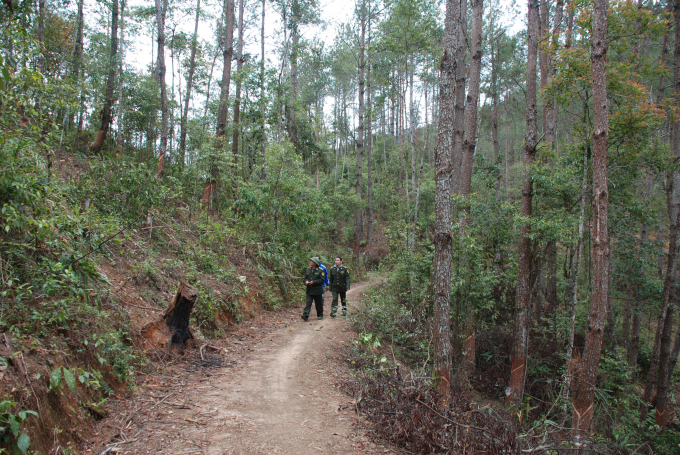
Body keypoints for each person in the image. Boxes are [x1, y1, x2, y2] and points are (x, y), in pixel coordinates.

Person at [302, 257, 325, 321]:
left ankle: (320, 315)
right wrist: (306, 281)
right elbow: (305, 278)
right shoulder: (308, 269)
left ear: (315, 263)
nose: (310, 262)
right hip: (309, 290)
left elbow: (322, 279)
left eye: (312, 261)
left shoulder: (320, 270)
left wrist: (313, 282)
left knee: (318, 303)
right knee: (308, 302)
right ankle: (305, 315)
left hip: (317, 290)